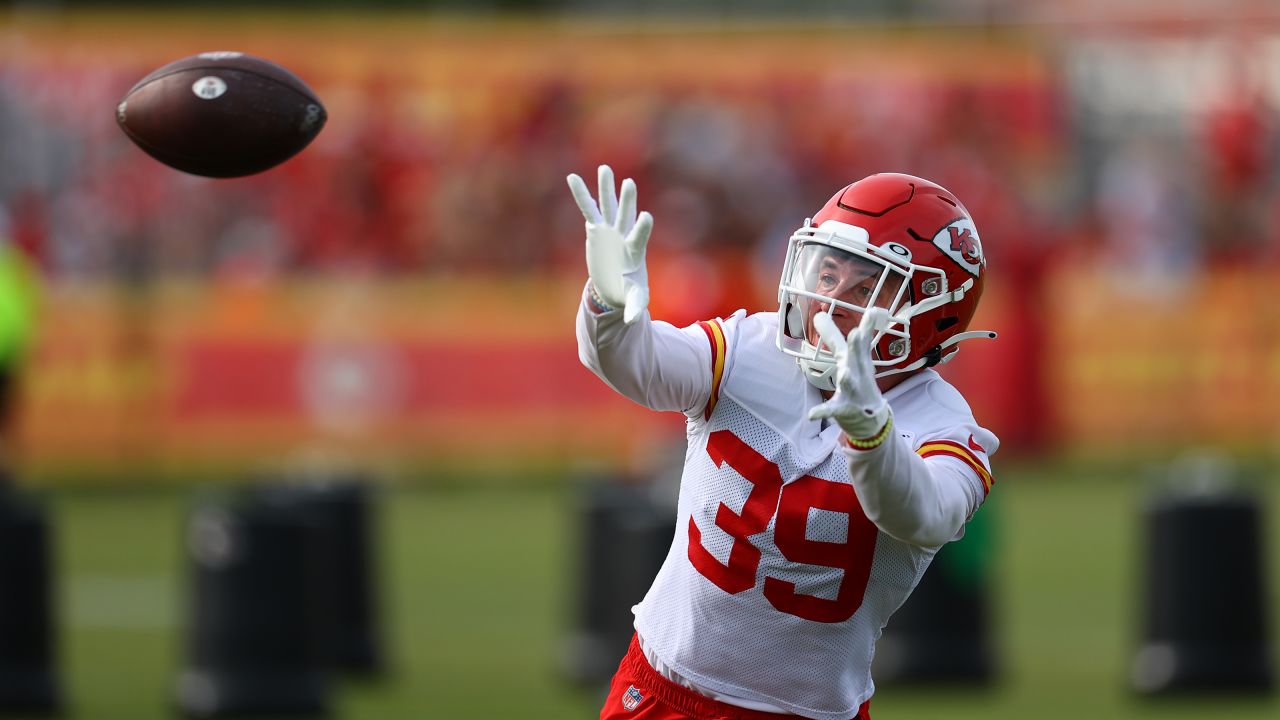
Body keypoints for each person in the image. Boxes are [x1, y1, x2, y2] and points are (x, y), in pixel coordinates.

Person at [570, 165, 999, 720]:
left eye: (867, 286)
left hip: (809, 712)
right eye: (827, 275)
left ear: (932, 311)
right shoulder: (754, 348)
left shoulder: (946, 428)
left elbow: (924, 516)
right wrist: (608, 310)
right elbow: (640, 365)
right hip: (662, 691)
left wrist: (873, 436)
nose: (830, 301)